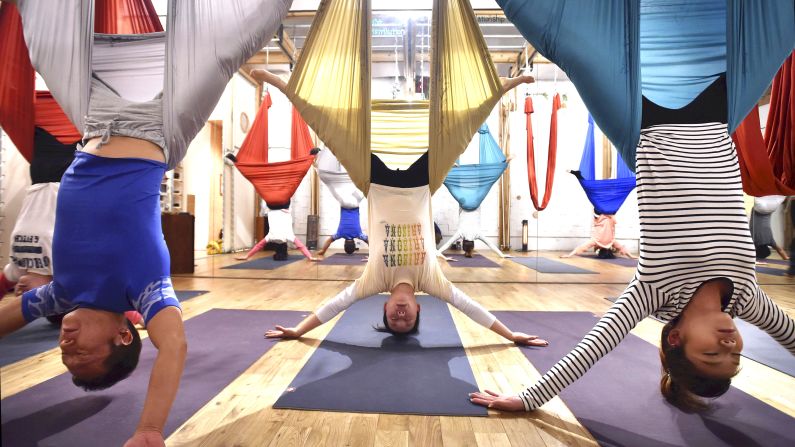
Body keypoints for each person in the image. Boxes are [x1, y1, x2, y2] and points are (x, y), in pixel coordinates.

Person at [4, 1, 291, 445]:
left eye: (65, 356)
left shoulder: (61, 292)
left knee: (40, 39)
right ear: (122, 335)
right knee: (241, 37)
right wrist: (150, 429)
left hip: (94, 114)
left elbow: (9, 317)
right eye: (80, 354)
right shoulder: (144, 289)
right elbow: (174, 346)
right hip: (161, 121)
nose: (65, 346)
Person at [470, 74, 795, 413]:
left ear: (675, 339)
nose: (729, 344)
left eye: (712, 353)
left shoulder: (655, 292)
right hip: (717, 113)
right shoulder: (745, 297)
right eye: (734, 353)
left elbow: (594, 347)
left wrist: (527, 398)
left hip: (654, 115)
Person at [264, 151, 549, 344]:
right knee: (452, 140)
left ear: (385, 306)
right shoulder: (430, 281)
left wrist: (298, 330)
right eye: (407, 319)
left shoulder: (374, 282)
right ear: (419, 309)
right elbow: (469, 307)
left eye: (393, 318)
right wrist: (510, 335)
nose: (400, 315)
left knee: (344, 142)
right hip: (417, 185)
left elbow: (335, 305)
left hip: (379, 185)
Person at [234, 201, 316, 262]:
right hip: (272, 207)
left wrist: (310, 257)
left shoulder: (288, 236)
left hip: (285, 206)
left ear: (285, 246)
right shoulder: (270, 237)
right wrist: (247, 256)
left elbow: (301, 246)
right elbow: (257, 246)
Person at [560, 212, 635, 259]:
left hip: (611, 214)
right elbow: (581, 248)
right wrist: (569, 255)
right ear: (600, 250)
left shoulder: (612, 241)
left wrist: (631, 256)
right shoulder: (595, 241)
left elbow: (622, 249)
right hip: (599, 215)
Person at [750, 195, 789, 263]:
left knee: (781, 195)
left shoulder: (771, 241)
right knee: (758, 193)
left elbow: (780, 251)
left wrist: (786, 257)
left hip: (770, 209)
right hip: (759, 208)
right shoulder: (752, 240)